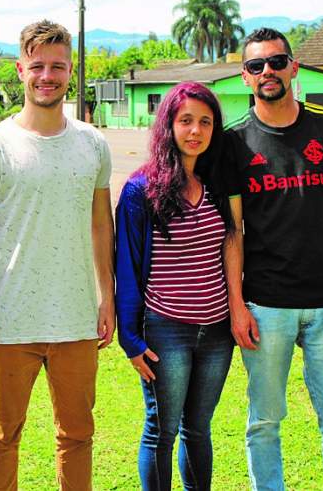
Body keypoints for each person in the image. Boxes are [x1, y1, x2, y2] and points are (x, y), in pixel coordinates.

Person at [223, 27, 323, 491]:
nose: (268, 72)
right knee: (264, 422)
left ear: (294, 67)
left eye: (276, 62)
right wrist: (237, 305)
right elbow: (233, 231)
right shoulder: (235, 143)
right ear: (245, 77)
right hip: (266, 305)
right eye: (257, 66)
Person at [0, 19, 115, 490]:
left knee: (77, 434)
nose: (48, 76)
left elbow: (100, 223)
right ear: (20, 69)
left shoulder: (92, 144)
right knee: (2, 435)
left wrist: (107, 296)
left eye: (59, 67)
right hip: (10, 321)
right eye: (38, 66)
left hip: (75, 320)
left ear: (71, 72)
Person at [116, 82, 235, 491]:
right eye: (186, 121)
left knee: (199, 429)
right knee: (162, 432)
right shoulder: (140, 190)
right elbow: (127, 267)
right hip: (166, 329)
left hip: (217, 330)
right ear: (168, 125)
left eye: (205, 122)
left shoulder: (217, 184)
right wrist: (130, 338)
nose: (195, 131)